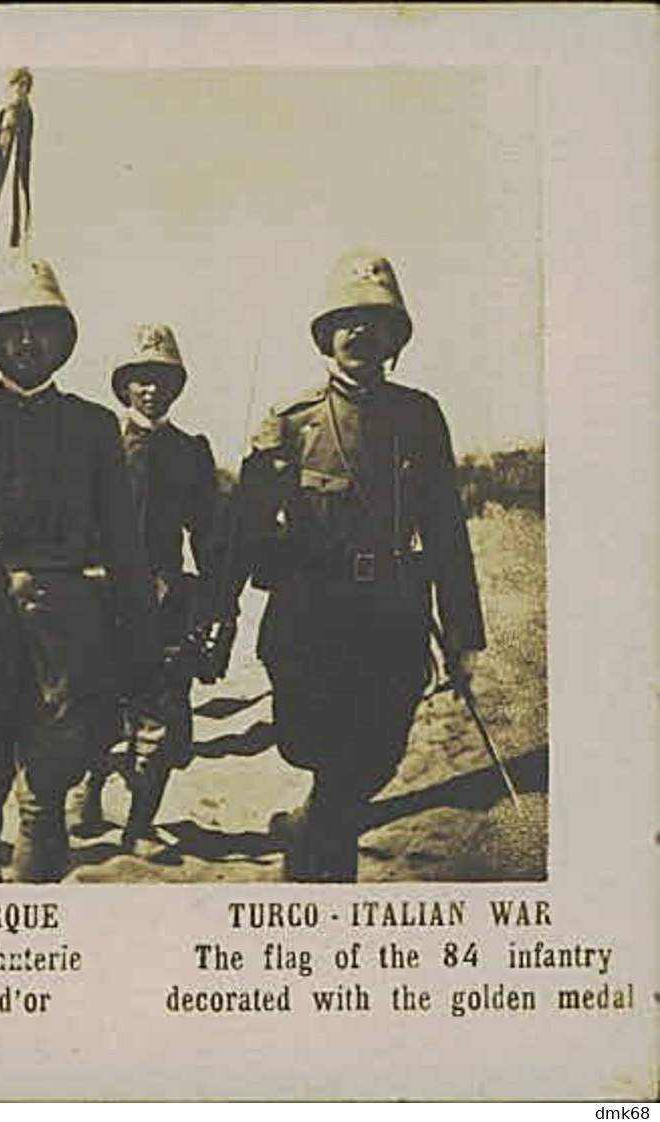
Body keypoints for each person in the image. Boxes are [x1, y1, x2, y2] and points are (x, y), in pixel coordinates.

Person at [224, 249, 485, 882]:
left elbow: (446, 531)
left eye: (376, 323)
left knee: (377, 757)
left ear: (395, 339)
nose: (360, 334)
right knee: (314, 747)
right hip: (310, 619)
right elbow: (244, 536)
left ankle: (313, 826)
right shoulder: (291, 423)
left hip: (391, 616)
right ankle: (329, 852)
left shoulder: (419, 417)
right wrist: (221, 607)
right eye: (347, 321)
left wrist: (462, 633)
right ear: (326, 335)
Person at [0, 257, 156, 883]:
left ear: (63, 340)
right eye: (12, 328)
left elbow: (123, 546)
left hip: (68, 637)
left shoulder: (93, 427)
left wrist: (139, 646)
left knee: (46, 795)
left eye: (40, 328)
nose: (27, 341)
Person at [73, 323, 225, 854]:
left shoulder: (190, 451)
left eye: (162, 379)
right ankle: (87, 795)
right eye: (141, 379)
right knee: (96, 711)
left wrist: (213, 602)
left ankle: (139, 826)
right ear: (124, 386)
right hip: (100, 597)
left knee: (162, 719)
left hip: (166, 601)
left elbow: (207, 533)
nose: (152, 390)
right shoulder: (97, 441)